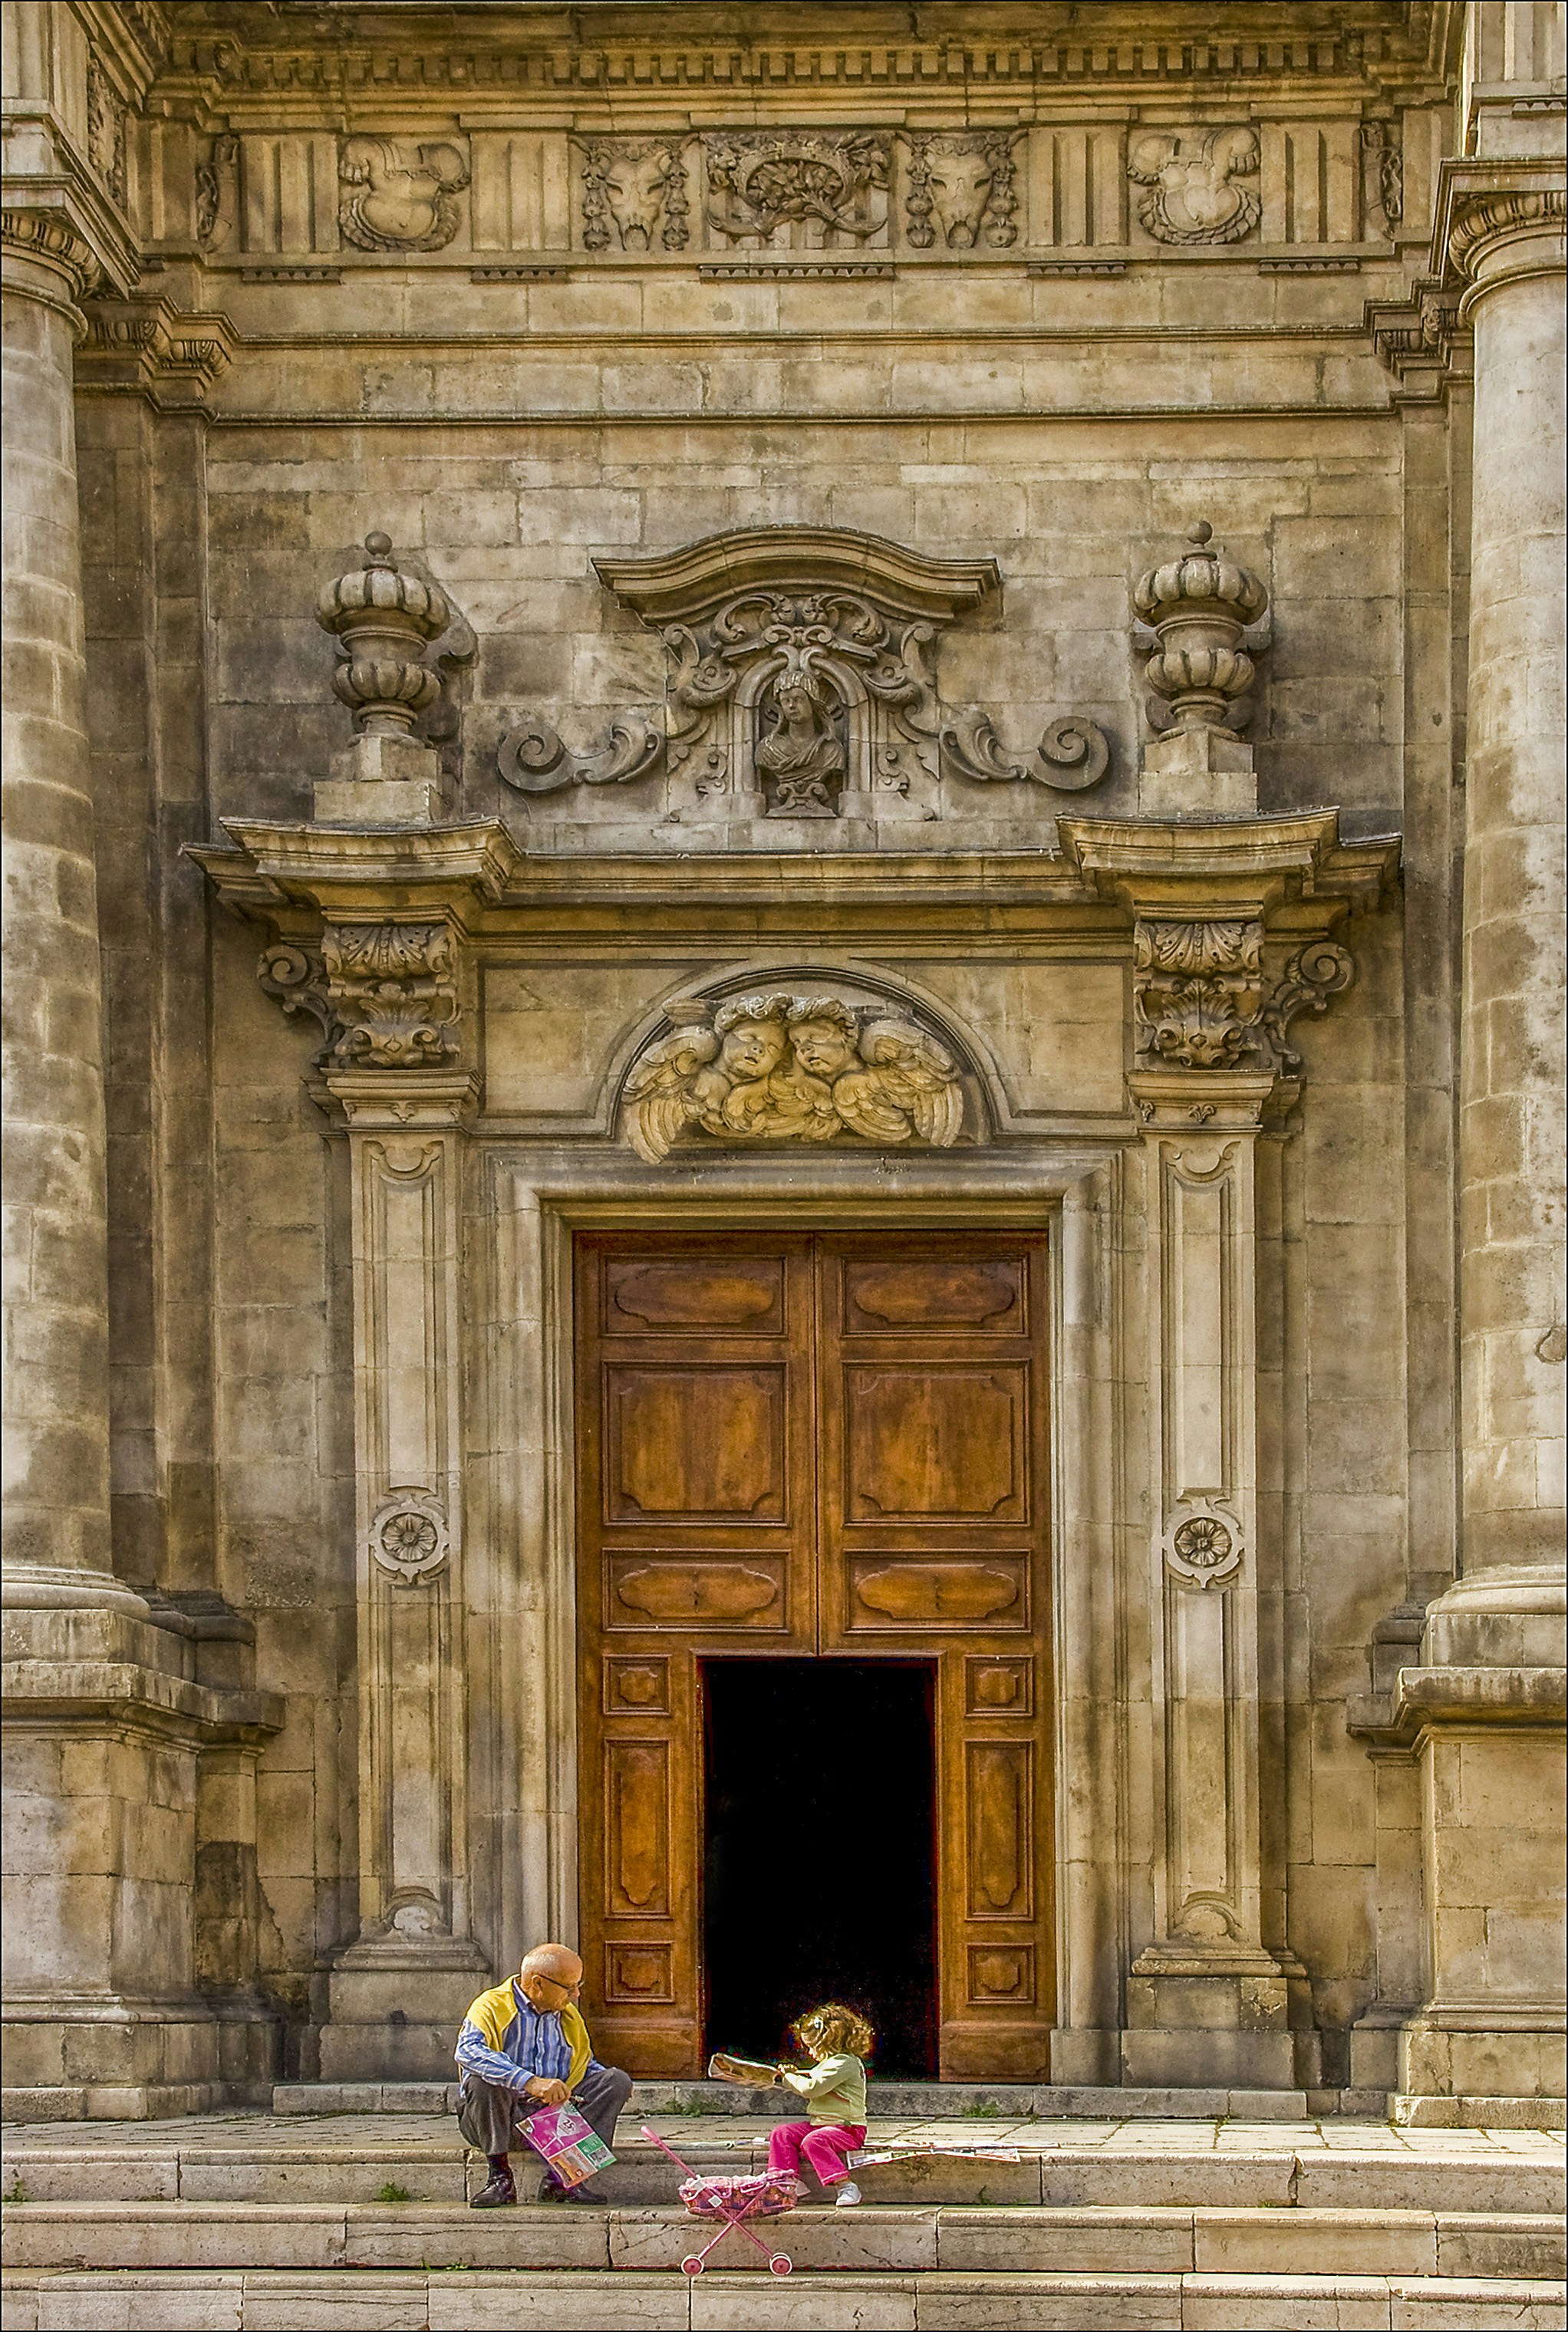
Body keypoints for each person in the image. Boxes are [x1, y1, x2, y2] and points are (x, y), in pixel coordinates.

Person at [454, 1942, 632, 2208]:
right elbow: (468, 2051)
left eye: (577, 1985)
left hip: (551, 2122)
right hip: (498, 2120)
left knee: (615, 2081)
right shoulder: (491, 2005)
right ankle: (499, 2178)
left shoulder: (568, 2016)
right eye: (569, 1987)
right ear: (538, 1984)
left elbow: (583, 2066)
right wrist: (529, 2081)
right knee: (484, 2080)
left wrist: (612, 2090)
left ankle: (563, 2180)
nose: (576, 1994)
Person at [765, 2001, 873, 2208]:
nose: (810, 2053)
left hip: (848, 2129)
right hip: (821, 2125)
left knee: (813, 2141)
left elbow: (811, 2088)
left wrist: (788, 2078)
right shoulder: (830, 2063)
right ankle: (786, 2182)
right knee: (782, 2133)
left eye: (813, 2047)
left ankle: (845, 2185)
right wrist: (793, 2074)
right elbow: (813, 2078)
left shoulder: (845, 2063)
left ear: (829, 2043)